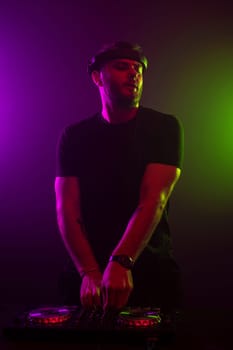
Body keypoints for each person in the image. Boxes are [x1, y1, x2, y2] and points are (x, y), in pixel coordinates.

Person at [55, 41, 184, 314]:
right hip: (85, 278)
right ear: (97, 76)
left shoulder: (163, 127)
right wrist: (89, 271)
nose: (134, 74)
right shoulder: (75, 136)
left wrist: (121, 263)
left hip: (149, 272)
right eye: (122, 67)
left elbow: (153, 200)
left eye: (138, 69)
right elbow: (66, 208)